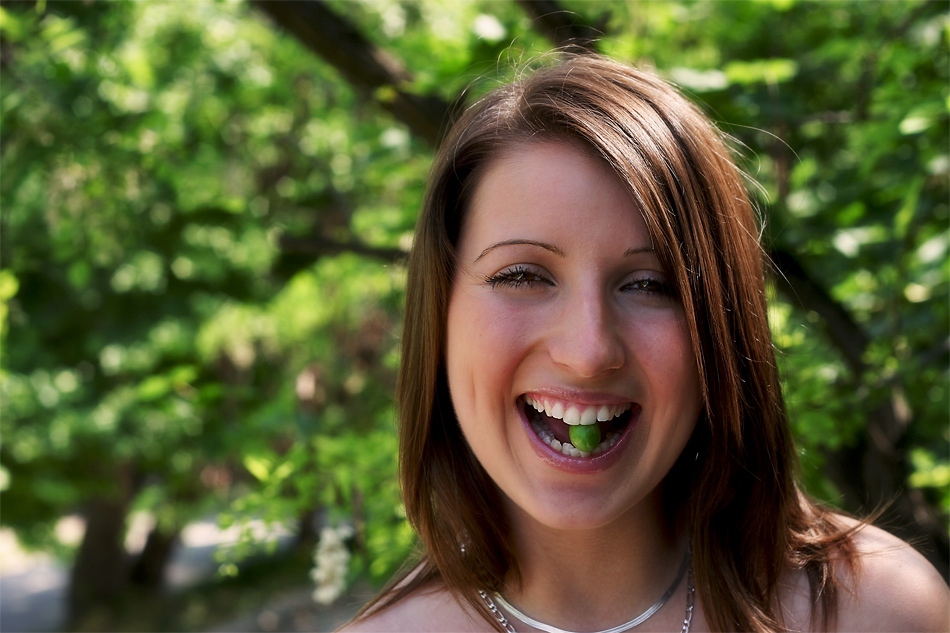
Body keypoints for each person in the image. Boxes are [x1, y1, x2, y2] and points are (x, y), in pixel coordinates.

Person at [342, 54, 949, 632]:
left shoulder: (886, 614)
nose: (588, 352)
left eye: (650, 285)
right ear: (440, 313)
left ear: (720, 327)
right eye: (523, 276)